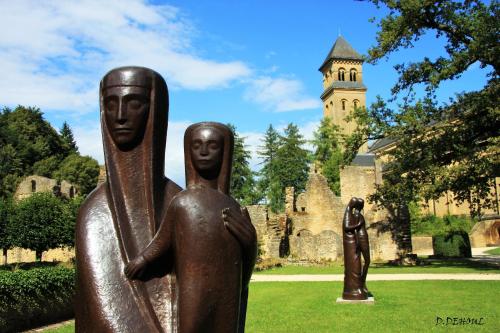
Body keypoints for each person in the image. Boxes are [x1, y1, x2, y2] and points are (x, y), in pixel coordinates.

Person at [75, 67, 181, 332]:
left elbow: (212, 284)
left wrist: (244, 247)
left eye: (134, 102)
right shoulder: (94, 213)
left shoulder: (179, 201)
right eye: (111, 104)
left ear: (154, 109)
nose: (120, 116)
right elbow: (106, 310)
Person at [125, 122, 257, 333]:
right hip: (193, 290)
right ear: (189, 151)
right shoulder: (182, 202)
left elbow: (244, 273)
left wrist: (251, 242)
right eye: (197, 145)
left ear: (223, 152)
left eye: (212, 145)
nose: (203, 151)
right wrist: (143, 259)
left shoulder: (233, 207)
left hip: (227, 290)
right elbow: (163, 240)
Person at [342, 197, 370, 300]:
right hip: (352, 243)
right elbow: (346, 226)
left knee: (363, 262)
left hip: (356, 241)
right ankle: (358, 286)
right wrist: (358, 224)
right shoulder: (351, 215)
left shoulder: (356, 215)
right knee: (356, 264)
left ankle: (361, 284)